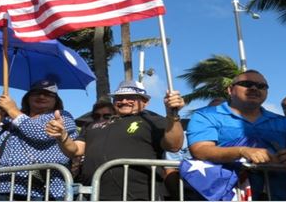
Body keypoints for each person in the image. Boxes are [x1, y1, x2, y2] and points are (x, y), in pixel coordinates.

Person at [187, 70, 286, 200]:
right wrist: (242, 151)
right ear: (230, 90)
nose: (254, 88)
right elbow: (200, 150)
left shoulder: (284, 123)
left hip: (276, 196)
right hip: (223, 195)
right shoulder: (206, 116)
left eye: (261, 86)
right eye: (246, 84)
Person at [46, 80, 185, 200]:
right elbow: (75, 150)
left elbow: (174, 145)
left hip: (140, 195)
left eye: (131, 97)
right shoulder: (92, 124)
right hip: (95, 194)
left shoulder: (153, 121)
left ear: (145, 102)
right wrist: (62, 136)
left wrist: (173, 116)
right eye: (119, 97)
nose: (124, 101)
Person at [0, 79, 77, 200]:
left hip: (45, 190)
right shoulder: (12, 119)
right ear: (28, 97)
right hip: (7, 187)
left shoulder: (62, 116)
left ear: (56, 100)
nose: (41, 96)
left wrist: (12, 110)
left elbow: (41, 134)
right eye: (36, 92)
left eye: (48, 94)